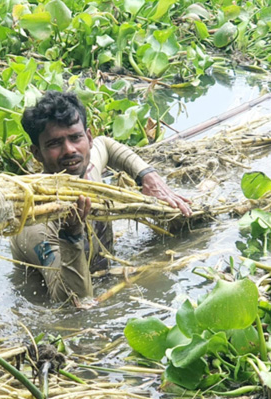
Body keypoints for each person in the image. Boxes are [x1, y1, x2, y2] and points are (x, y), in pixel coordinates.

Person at [10, 91, 191, 306]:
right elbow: (74, 303)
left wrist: (147, 176)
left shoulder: (87, 170)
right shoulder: (36, 223)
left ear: (88, 137)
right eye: (54, 144)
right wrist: (71, 236)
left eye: (76, 138)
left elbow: (105, 144)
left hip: (105, 274)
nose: (70, 150)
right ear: (37, 153)